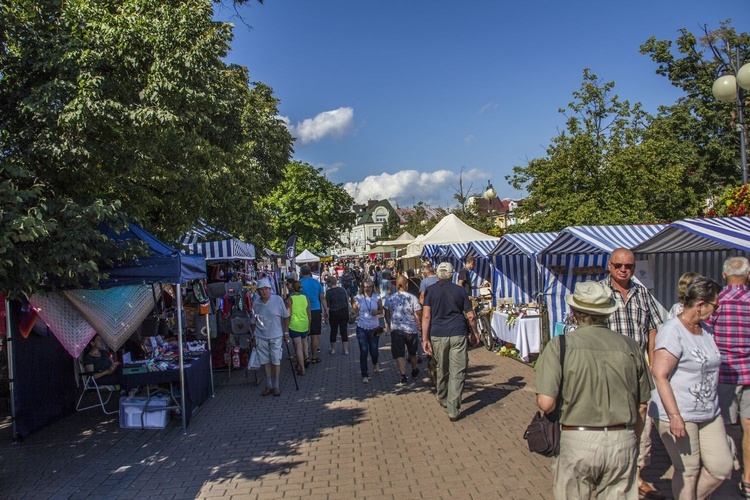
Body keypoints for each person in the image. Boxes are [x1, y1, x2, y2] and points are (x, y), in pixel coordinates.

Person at [536, 281, 652, 499]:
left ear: (573, 311)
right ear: (608, 312)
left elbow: (546, 402)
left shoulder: (560, 345)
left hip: (578, 437)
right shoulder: (630, 346)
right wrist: (633, 439)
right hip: (622, 438)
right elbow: (642, 405)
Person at [650, 276, 733, 499]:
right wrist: (674, 415)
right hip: (680, 413)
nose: (716, 311)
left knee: (722, 467)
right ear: (700, 305)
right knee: (688, 470)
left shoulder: (705, 330)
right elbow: (659, 374)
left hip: (709, 413)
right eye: (715, 305)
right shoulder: (672, 331)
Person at [599, 247, 664, 499]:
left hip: (638, 369)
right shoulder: (600, 293)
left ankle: (637, 475)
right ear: (609, 265)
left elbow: (652, 330)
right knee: (612, 423)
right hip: (609, 369)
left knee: (640, 423)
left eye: (629, 266)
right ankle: (611, 475)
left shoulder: (642, 293)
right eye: (619, 265)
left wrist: (653, 361)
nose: (624, 270)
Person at [707, 256, 750, 497]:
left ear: (724, 275)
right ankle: (748, 479)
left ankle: (721, 476)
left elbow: (705, 333)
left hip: (723, 371)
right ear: (748, 276)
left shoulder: (717, 302)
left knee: (720, 426)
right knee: (749, 426)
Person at [422, 262, 480, 421]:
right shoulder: (460, 290)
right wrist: (475, 332)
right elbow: (471, 315)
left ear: (438, 274)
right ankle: (453, 408)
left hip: (438, 334)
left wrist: (424, 338)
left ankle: (442, 397)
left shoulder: (430, 291)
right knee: (458, 370)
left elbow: (426, 316)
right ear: (452, 274)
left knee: (442, 367)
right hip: (457, 333)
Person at [252, 278, 290, 396]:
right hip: (260, 335)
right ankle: (268, 384)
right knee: (265, 361)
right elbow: (253, 321)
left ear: (270, 289)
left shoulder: (278, 300)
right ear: (257, 291)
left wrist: (286, 332)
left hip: (276, 335)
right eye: (261, 290)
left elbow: (286, 316)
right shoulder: (256, 303)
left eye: (266, 289)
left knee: (276, 359)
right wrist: (253, 337)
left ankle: (276, 384)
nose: (264, 292)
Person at [384, 276, 422, 385]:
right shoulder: (412, 297)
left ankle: (403, 375)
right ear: (406, 285)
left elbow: (387, 313)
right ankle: (414, 370)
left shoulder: (390, 298)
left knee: (399, 354)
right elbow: (419, 312)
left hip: (396, 329)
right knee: (412, 352)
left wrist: (389, 325)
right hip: (411, 329)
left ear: (396, 285)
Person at [352, 279, 383, 383]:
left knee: (374, 351)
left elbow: (381, 310)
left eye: (370, 286)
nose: (368, 288)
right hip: (362, 327)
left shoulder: (376, 297)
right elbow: (354, 310)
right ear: (363, 287)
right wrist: (353, 310)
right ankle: (364, 374)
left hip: (374, 327)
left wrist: (377, 312)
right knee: (364, 350)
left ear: (372, 287)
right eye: (366, 286)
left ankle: (375, 362)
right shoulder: (359, 298)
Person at [299, 264, 328, 364]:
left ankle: (305, 356)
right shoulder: (316, 283)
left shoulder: (299, 283)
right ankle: (314, 357)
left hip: (302, 310)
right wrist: (326, 310)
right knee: (314, 334)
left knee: (304, 335)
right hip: (316, 309)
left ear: (301, 272)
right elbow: (322, 298)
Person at [286, 281, 310, 376]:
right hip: (304, 324)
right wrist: (309, 325)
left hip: (295, 325)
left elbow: (288, 314)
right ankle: (306, 358)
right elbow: (309, 313)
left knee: (298, 348)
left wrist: (286, 329)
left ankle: (302, 368)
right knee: (305, 342)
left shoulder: (290, 299)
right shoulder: (305, 298)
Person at [325, 275, 350, 355]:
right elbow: (346, 301)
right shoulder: (342, 290)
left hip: (334, 312)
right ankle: (345, 350)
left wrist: (326, 316)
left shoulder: (328, 292)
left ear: (329, 283)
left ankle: (333, 349)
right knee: (344, 331)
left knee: (333, 331)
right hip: (343, 311)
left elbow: (328, 306)